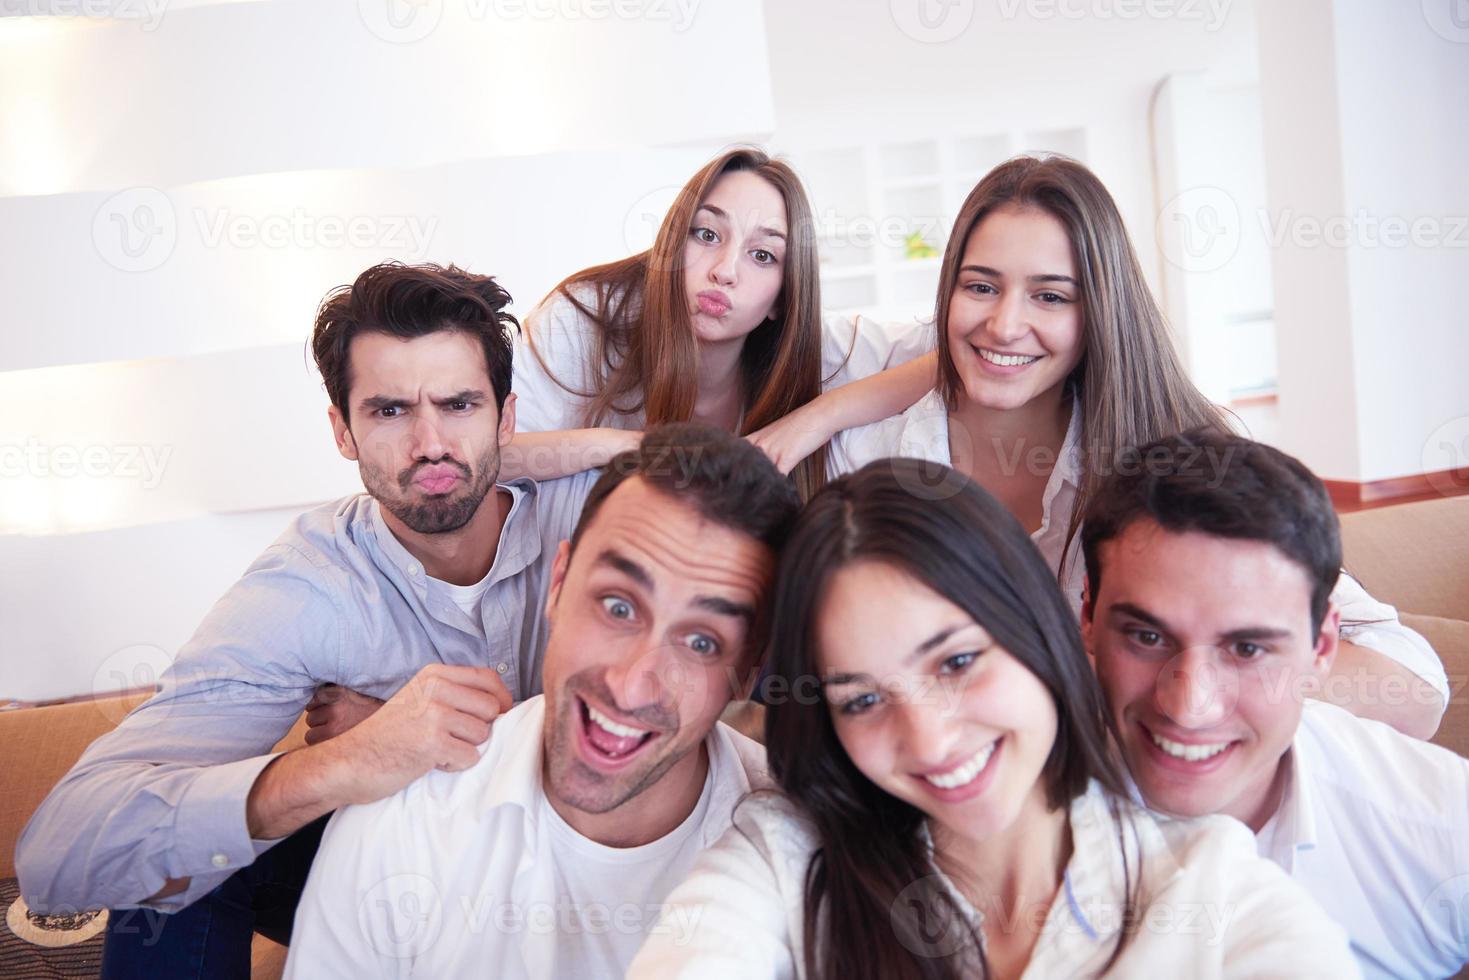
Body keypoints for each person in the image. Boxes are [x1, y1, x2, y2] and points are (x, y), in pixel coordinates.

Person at [17, 262, 600, 979]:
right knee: (177, 868)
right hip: (390, 888)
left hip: (580, 883)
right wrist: (352, 761)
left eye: (458, 405)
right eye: (389, 411)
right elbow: (59, 856)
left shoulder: (594, 521)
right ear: (342, 430)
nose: (430, 444)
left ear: (505, 419)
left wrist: (617, 448)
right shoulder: (311, 582)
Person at [629, 459, 1357, 979]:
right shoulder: (785, 860)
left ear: (1037, 629)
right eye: (861, 699)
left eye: (954, 663)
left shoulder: (1211, 893)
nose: (931, 738)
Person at [825, 154, 1447, 737]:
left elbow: (1412, 684)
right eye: (981, 286)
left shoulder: (1179, 452)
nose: (1005, 324)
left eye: (1050, 295)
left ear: (1099, 311)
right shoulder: (870, 458)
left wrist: (1181, 684)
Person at [283, 424, 800, 977]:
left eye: (701, 642)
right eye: (618, 607)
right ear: (558, 584)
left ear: (747, 674)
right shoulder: (401, 814)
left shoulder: (803, 862)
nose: (631, 685)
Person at [1081, 430, 1469, 980]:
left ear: (1322, 649)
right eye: (1147, 637)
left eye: (1246, 649)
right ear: (1088, 623)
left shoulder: (1442, 823)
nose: (1190, 705)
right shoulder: (993, 834)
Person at [506, 145, 936, 498]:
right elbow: (475, 459)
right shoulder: (589, 317)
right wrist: (619, 447)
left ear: (781, 300)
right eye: (707, 234)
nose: (725, 270)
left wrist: (819, 417)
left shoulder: (821, 349)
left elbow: (961, 348)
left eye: (763, 255)